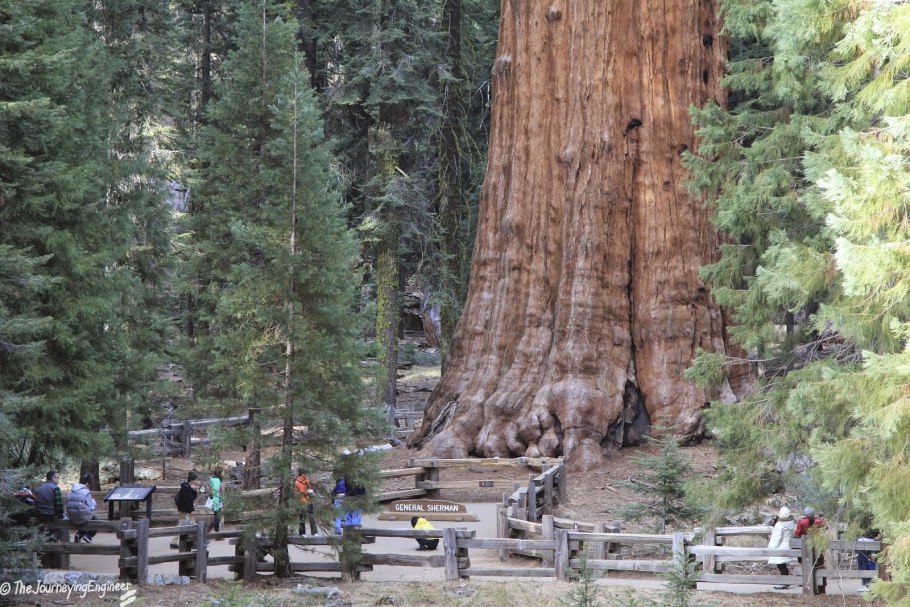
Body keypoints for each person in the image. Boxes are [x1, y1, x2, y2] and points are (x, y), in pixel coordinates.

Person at [767, 506, 796, 589]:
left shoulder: (779, 524)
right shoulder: (791, 523)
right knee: (783, 565)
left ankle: (785, 582)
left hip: (780, 547)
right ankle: (785, 581)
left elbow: (777, 538)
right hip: (787, 546)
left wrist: (771, 548)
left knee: (781, 565)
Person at [66, 472, 98, 543]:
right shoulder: (86, 492)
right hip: (81, 517)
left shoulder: (71, 490)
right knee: (94, 519)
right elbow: (90, 508)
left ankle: (79, 534)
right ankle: (88, 536)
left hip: (71, 516)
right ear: (87, 483)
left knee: (83, 515)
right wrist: (93, 503)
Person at [172, 471, 200, 548]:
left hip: (187, 509)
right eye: (196, 480)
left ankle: (193, 540)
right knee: (182, 525)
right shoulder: (185, 487)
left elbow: (192, 498)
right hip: (184, 510)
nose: (198, 482)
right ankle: (174, 542)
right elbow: (187, 500)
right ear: (192, 480)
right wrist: (191, 510)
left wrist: (194, 490)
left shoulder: (190, 487)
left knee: (190, 524)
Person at [35, 470, 65, 540]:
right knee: (64, 523)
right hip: (51, 515)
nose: (58, 480)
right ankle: (55, 539)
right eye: (57, 478)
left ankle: (47, 537)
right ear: (52, 478)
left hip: (40, 514)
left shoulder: (39, 488)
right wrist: (61, 515)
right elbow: (59, 506)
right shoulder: (55, 488)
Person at [294, 468, 317, 536]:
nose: (306, 475)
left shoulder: (307, 481)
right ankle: (302, 533)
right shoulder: (297, 482)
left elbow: (309, 488)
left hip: (309, 500)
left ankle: (314, 532)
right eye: (305, 473)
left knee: (312, 517)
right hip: (302, 501)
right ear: (302, 474)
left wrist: (311, 492)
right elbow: (299, 492)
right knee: (302, 518)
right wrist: (307, 492)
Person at [208, 468, 224, 533]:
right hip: (216, 501)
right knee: (218, 518)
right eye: (222, 473)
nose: (223, 474)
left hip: (216, 500)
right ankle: (208, 530)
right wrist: (219, 503)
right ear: (219, 473)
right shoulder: (216, 480)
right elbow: (216, 492)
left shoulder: (215, 479)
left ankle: (217, 535)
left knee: (216, 517)